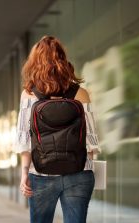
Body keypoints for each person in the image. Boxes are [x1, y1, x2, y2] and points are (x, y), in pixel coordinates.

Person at [14, 36, 101, 223]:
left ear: (34, 62)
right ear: (63, 60)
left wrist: (24, 174)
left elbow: (24, 140)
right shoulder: (81, 94)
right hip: (79, 173)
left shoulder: (28, 95)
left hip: (41, 173)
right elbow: (92, 141)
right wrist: (87, 169)